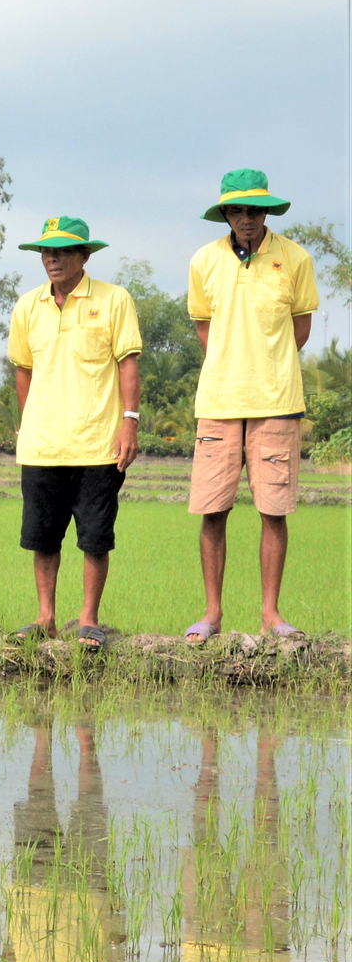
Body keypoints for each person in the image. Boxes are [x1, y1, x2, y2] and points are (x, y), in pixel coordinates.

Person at [182, 169, 319, 642]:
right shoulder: (204, 261)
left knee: (272, 509)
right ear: (225, 213)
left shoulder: (295, 259)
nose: (246, 217)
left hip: (277, 401)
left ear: (267, 211)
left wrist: (267, 365)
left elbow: (299, 332)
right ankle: (212, 613)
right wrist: (233, 364)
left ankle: (271, 614)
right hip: (219, 401)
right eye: (237, 209)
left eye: (255, 209)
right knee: (213, 510)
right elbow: (206, 331)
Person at [6, 217, 142, 649]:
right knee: (42, 538)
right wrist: (32, 423)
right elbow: (23, 371)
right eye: (46, 252)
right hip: (43, 446)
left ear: (85, 256)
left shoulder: (114, 299)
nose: (52, 258)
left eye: (63, 251)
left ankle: (87, 619)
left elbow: (128, 365)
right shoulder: (28, 306)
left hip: (98, 445)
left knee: (94, 537)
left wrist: (130, 422)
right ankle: (45, 617)